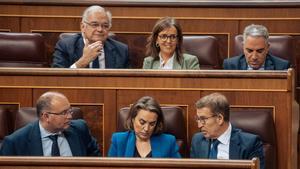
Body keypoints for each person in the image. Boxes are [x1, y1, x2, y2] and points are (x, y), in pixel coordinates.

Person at [0, 91, 100, 156]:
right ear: (46, 116)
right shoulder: (15, 142)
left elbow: (95, 161)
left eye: (69, 111)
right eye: (64, 113)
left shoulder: (80, 129)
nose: (70, 116)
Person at [190, 93, 264, 169]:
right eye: (198, 119)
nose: (199, 125)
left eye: (203, 119)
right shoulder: (197, 140)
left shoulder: (250, 143)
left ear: (220, 118)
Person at [52, 5, 129, 69]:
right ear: (83, 27)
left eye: (105, 26)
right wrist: (82, 62)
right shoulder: (66, 46)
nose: (100, 29)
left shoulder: (121, 50)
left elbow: (127, 82)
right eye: (94, 25)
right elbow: (56, 79)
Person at [108, 96, 181, 158]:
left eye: (152, 124)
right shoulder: (119, 140)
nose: (146, 129)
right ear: (133, 119)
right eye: (142, 122)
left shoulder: (169, 142)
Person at [223, 24, 290, 70]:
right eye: (249, 51)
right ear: (243, 47)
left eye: (259, 51)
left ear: (267, 48)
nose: (254, 57)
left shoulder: (282, 67)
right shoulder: (230, 65)